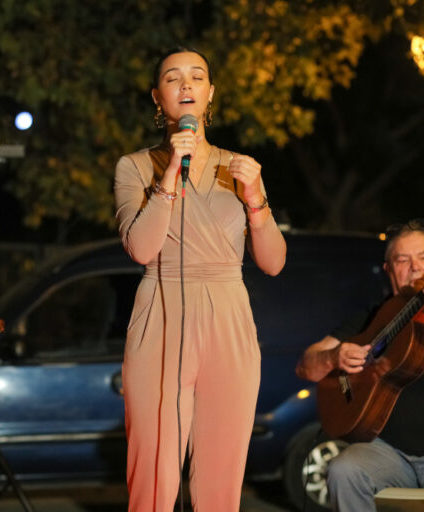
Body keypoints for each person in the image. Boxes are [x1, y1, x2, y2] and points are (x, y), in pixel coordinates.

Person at [113, 46, 287, 511]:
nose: (186, 85)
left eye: (197, 77)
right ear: (157, 97)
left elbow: (272, 263)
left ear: (211, 94)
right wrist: (171, 170)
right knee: (153, 471)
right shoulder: (134, 166)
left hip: (229, 313)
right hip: (162, 310)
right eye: (173, 78)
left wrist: (255, 201)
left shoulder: (240, 168)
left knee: (221, 475)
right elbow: (141, 248)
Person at [296, 220, 424, 512]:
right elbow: (306, 366)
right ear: (388, 270)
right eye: (402, 260)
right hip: (388, 451)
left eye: (423, 257)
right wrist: (333, 357)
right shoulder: (374, 316)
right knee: (343, 470)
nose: (415, 267)